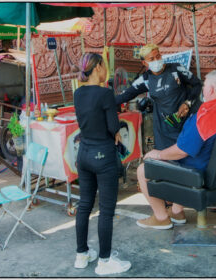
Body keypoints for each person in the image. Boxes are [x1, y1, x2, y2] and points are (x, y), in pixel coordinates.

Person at [135, 70, 216, 229]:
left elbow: (181, 151)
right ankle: (177, 211)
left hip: (198, 176)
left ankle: (161, 218)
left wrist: (158, 154)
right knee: (183, 157)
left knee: (143, 169)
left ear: (210, 90)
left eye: (205, 86)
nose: (203, 89)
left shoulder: (207, 116)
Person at [73, 53, 131, 275]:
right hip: (103, 155)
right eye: (104, 66)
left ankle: (81, 255)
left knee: (85, 204)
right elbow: (113, 126)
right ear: (97, 67)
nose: (106, 69)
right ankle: (105, 261)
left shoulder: (78, 93)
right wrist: (115, 132)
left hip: (84, 154)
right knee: (106, 210)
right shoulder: (105, 94)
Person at [115, 44, 202, 150]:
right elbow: (125, 95)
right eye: (151, 59)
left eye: (158, 56)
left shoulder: (176, 68)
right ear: (144, 62)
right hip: (165, 126)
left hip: (187, 119)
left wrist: (188, 103)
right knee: (165, 155)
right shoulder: (145, 80)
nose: (156, 60)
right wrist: (103, 103)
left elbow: (197, 84)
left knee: (190, 150)